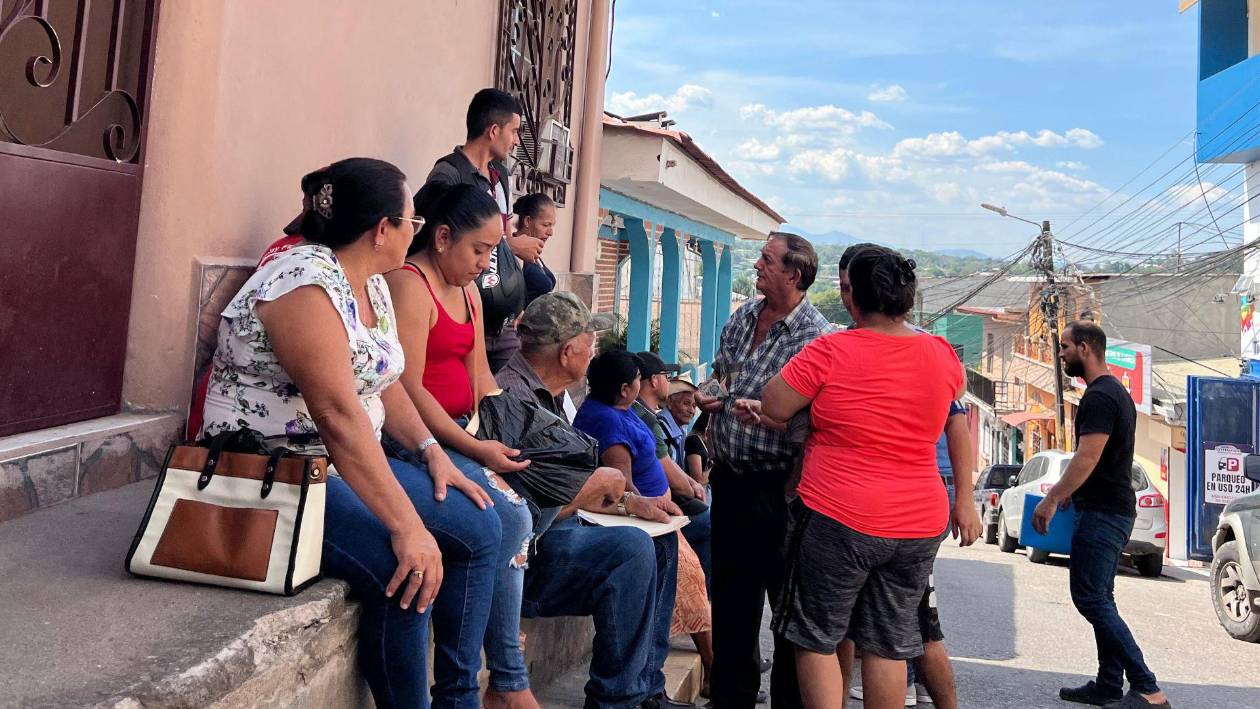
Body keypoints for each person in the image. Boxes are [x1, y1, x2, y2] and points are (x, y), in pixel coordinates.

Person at [200, 158, 499, 709]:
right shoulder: (303, 281)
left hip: (337, 465)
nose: (416, 230)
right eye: (411, 221)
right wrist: (408, 528)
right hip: (280, 472)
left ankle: (461, 696)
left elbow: (383, 383)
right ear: (382, 229)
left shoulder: (372, 284)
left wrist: (432, 451)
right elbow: (337, 414)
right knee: (403, 569)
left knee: (481, 526)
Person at [759, 245, 963, 709]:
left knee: (816, 637)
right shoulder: (941, 352)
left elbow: (774, 404)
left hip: (839, 514)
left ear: (853, 298)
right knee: (888, 644)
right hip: (918, 522)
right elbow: (950, 413)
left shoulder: (831, 349)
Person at [495, 291, 693, 709]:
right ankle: (616, 698)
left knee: (660, 538)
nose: (593, 352)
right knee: (632, 548)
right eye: (590, 343)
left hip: (558, 531)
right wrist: (595, 486)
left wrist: (628, 504)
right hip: (529, 556)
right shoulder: (511, 400)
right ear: (568, 352)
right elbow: (522, 504)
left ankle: (644, 686)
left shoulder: (551, 394)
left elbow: (562, 484)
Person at [383, 183, 538, 709]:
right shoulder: (411, 284)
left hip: (466, 431)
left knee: (539, 489)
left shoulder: (469, 290)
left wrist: (513, 432)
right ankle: (487, 683)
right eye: (479, 250)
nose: (485, 262)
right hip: (418, 438)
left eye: (493, 251)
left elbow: (481, 381)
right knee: (507, 517)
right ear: (443, 237)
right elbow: (408, 387)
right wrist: (471, 447)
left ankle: (503, 675)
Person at [835, 244, 981, 709]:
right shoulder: (849, 345)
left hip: (915, 498)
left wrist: (964, 498)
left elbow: (957, 424)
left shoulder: (921, 346)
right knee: (867, 624)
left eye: (846, 288)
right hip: (869, 505)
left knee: (914, 622)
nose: (844, 298)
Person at [693, 232, 830, 709]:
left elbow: (816, 418)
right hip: (731, 481)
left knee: (785, 606)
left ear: (794, 274)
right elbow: (722, 374)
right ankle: (732, 698)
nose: (757, 265)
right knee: (732, 600)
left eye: (767, 260)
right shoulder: (745, 316)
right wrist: (710, 396)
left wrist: (775, 414)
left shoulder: (816, 336)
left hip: (781, 488)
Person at [1032, 322, 1171, 709]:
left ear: (1086, 347)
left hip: (1105, 513)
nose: (1061, 354)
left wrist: (1052, 499)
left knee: (1090, 598)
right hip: (1107, 510)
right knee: (1101, 596)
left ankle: (1148, 689)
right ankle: (1110, 683)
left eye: (1065, 347)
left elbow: (1087, 457)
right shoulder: (1112, 392)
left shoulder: (1100, 397)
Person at [572, 349, 695, 709]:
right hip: (643, 530)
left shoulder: (619, 412)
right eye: (638, 380)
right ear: (625, 389)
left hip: (658, 523)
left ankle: (649, 685)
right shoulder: (607, 421)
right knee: (650, 610)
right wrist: (647, 508)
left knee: (658, 605)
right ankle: (643, 689)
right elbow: (620, 485)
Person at [421, 88, 539, 373]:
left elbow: (502, 239)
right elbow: (442, 242)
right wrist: (512, 246)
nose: (516, 141)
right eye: (514, 131)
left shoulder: (501, 177)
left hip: (501, 322)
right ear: (494, 130)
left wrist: (514, 294)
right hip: (463, 312)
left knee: (511, 395)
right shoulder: (448, 175)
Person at [512, 193, 558, 306]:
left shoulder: (533, 253)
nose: (550, 232)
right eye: (546, 225)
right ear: (527, 221)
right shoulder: (512, 253)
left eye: (552, 226)